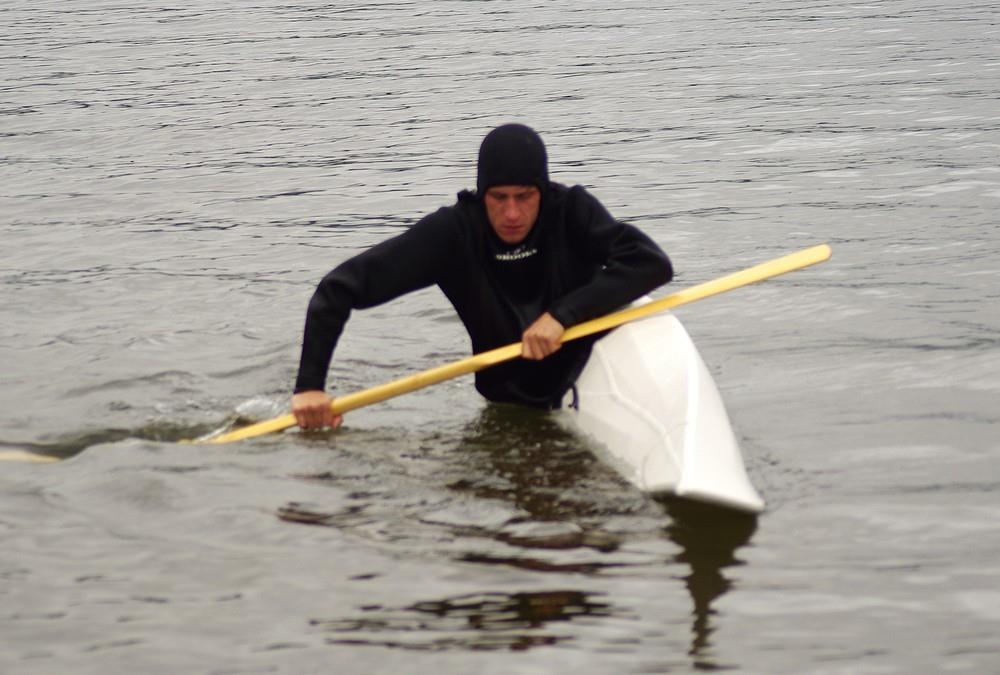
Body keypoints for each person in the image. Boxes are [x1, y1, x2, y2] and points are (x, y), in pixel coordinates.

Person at [292, 123, 673, 429]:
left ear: (542, 191)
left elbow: (652, 262)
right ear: (481, 193)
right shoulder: (452, 234)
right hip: (507, 397)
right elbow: (337, 290)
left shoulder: (570, 210)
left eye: (524, 197)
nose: (511, 213)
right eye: (498, 198)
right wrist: (310, 388)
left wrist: (562, 316)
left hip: (587, 360)